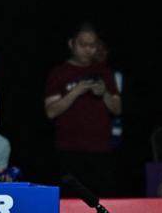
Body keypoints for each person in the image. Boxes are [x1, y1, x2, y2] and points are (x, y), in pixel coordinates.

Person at [43, 22, 121, 196]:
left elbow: (117, 109)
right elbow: (51, 111)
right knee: (70, 200)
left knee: (102, 198)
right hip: (69, 150)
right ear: (71, 44)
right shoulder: (59, 74)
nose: (88, 50)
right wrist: (76, 91)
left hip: (101, 150)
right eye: (83, 44)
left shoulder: (105, 72)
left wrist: (105, 93)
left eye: (92, 45)